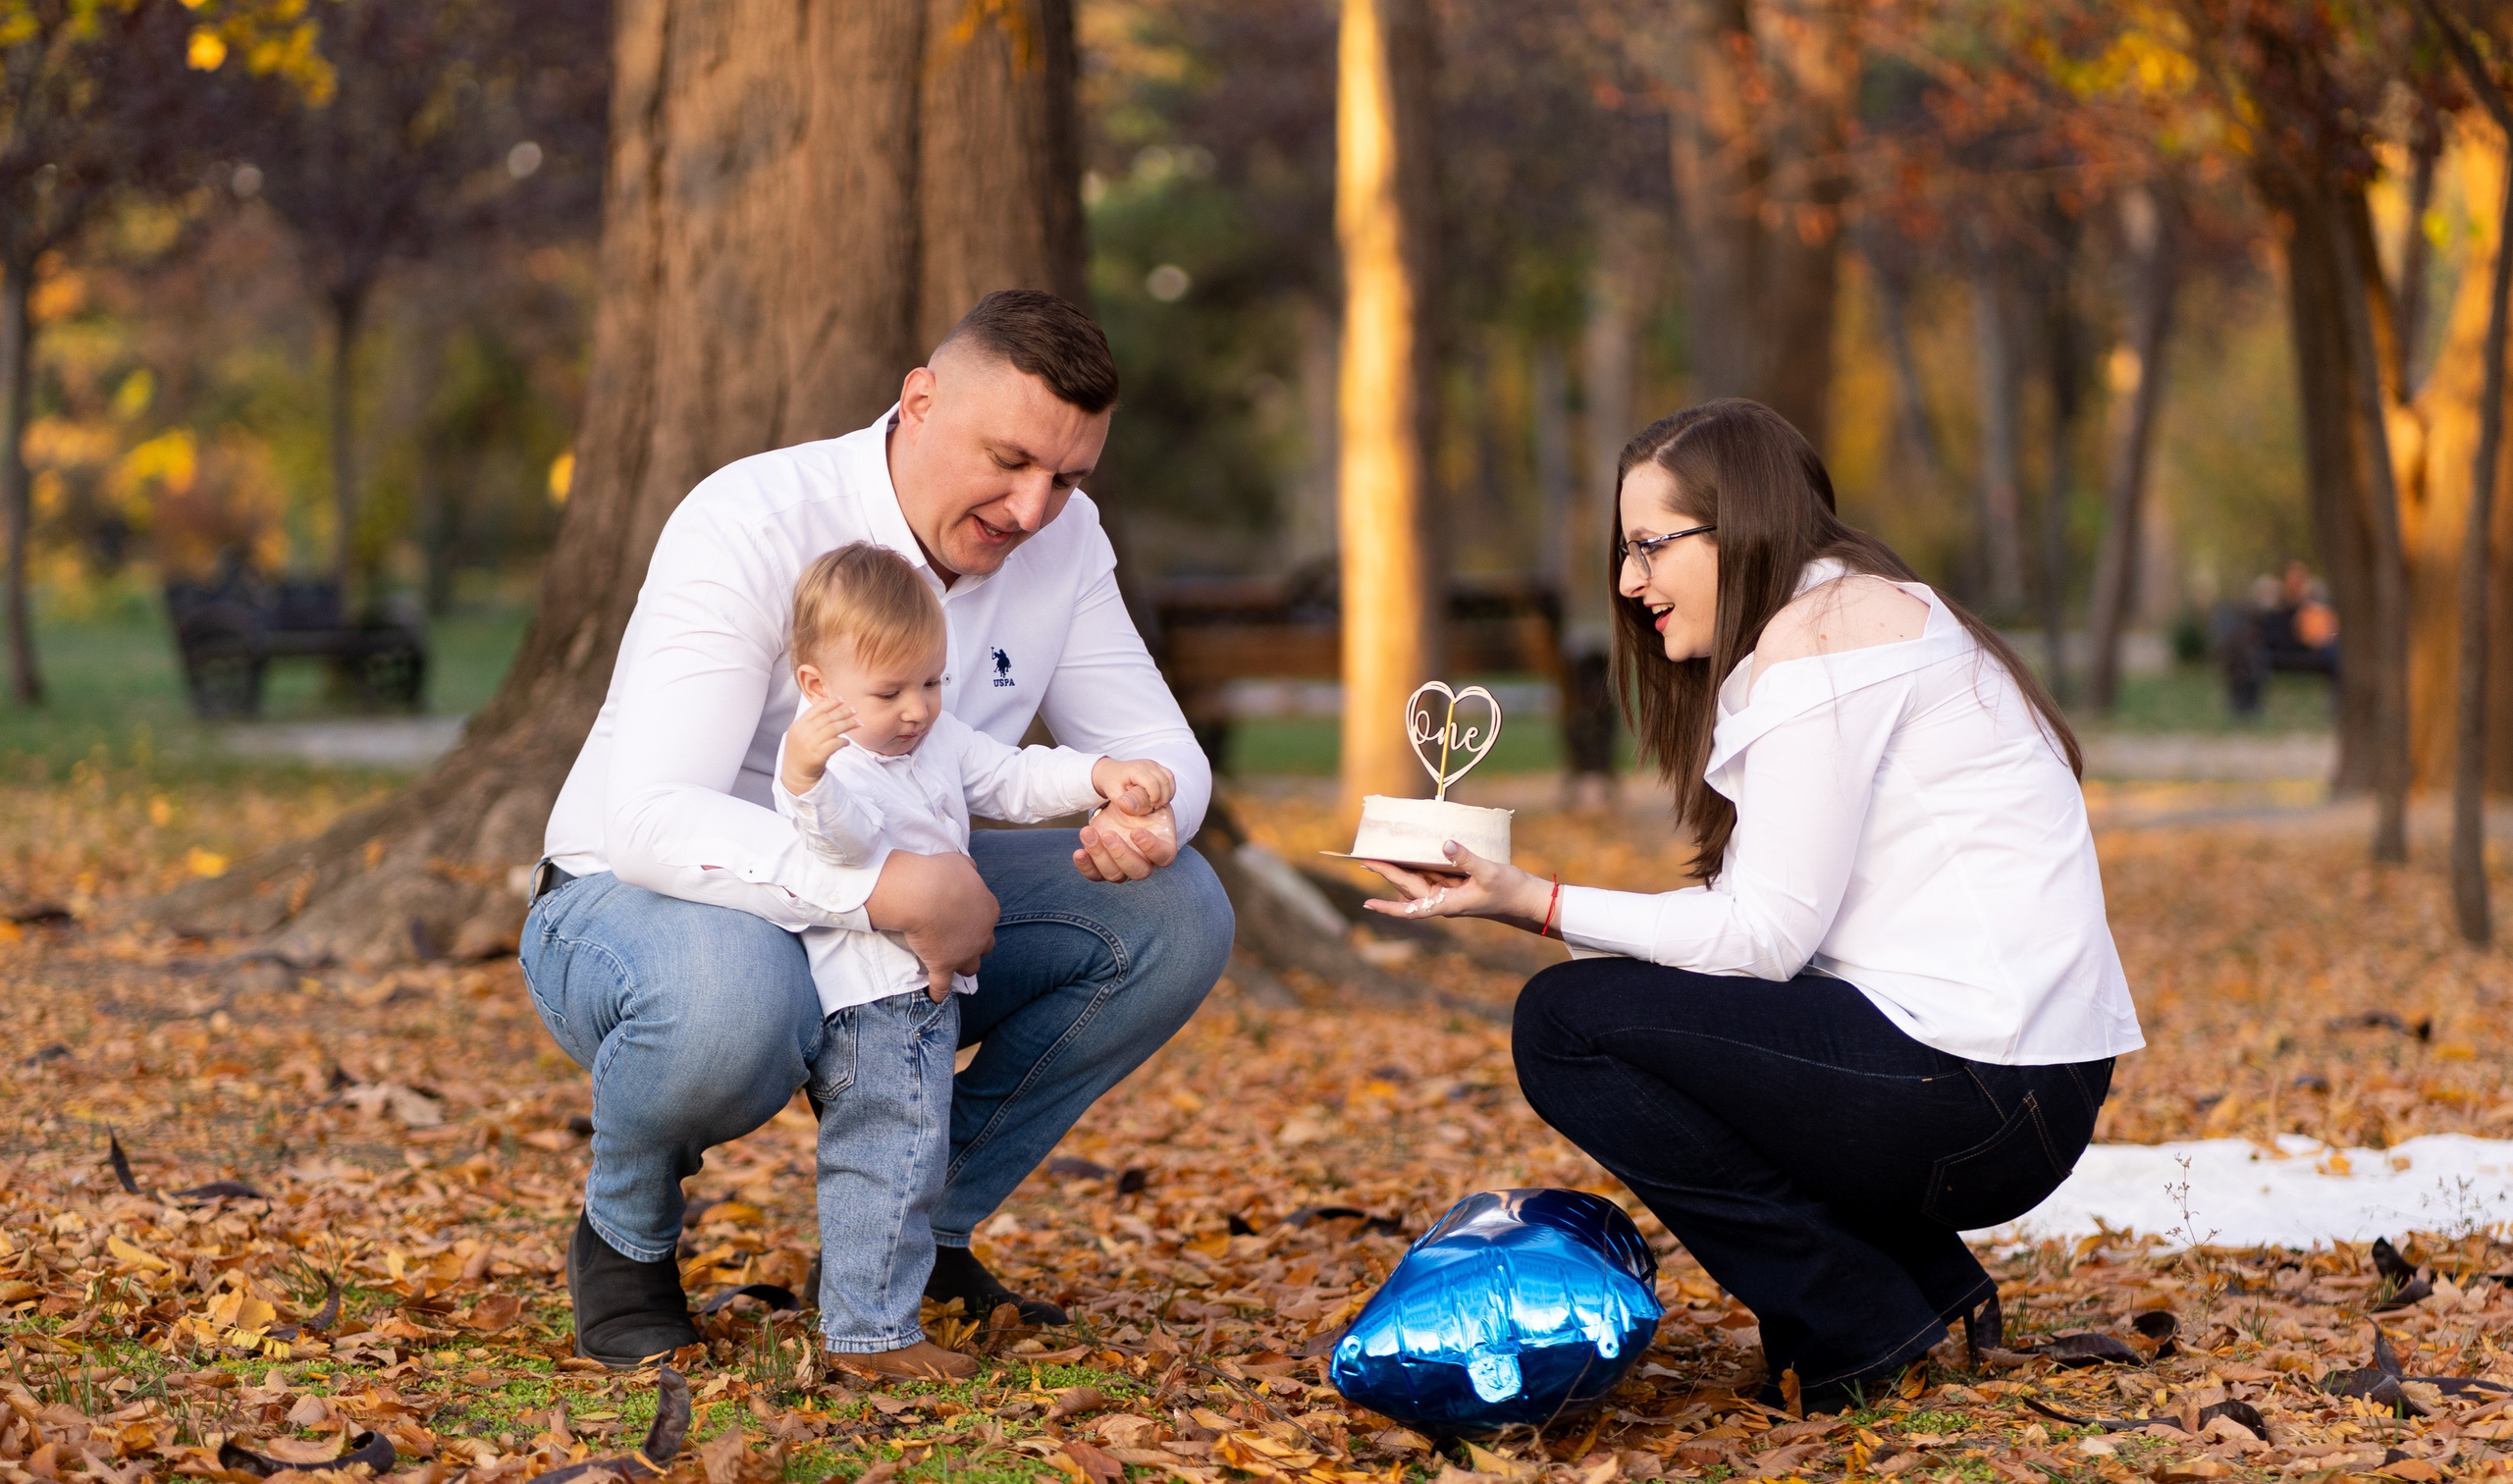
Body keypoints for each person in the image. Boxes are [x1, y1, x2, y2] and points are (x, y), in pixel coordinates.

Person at [1361, 399, 2142, 1413]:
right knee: (1643, 1013)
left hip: (1982, 1091)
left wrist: (1532, 902)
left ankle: (1855, 1322)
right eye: (1621, 548)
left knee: (1566, 1025)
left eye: (1649, 545)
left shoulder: (1823, 638)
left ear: (1741, 524)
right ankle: (1915, 1291)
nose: (1626, 579)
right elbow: (1759, 936)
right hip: (2010, 1084)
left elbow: (1760, 942)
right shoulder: (1854, 612)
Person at [522, 291, 1234, 1371]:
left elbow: (1159, 748)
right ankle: (625, 1236)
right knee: (730, 1001)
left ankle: (907, 1239)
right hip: (647, 903)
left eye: (1068, 477)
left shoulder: (1063, 541)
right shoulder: (753, 516)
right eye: (1009, 460)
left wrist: (1146, 812)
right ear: (919, 401)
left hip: (905, 895)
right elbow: (653, 820)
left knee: (1178, 910)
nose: (1033, 508)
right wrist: (884, 890)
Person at [763, 540, 1179, 1376]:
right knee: (886, 1152)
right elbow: (839, 843)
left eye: (931, 681)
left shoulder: (932, 740)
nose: (916, 708)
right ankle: (868, 1337)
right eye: (890, 691)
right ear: (818, 689)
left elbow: (1011, 777)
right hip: (871, 1000)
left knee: (915, 1150)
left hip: (923, 992)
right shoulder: (830, 768)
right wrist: (806, 776)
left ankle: (875, 1312)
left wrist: (1100, 772)